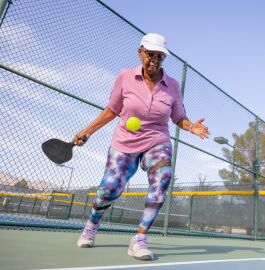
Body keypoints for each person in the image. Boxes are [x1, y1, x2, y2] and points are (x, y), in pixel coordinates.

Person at [73, 33, 210, 261]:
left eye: (160, 56)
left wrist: (190, 127)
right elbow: (111, 110)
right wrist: (87, 131)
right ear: (140, 52)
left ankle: (139, 238)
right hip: (124, 141)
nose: (155, 60)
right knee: (109, 189)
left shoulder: (173, 86)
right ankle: (91, 226)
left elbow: (179, 117)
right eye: (150, 54)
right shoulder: (125, 77)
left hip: (157, 140)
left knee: (162, 179)